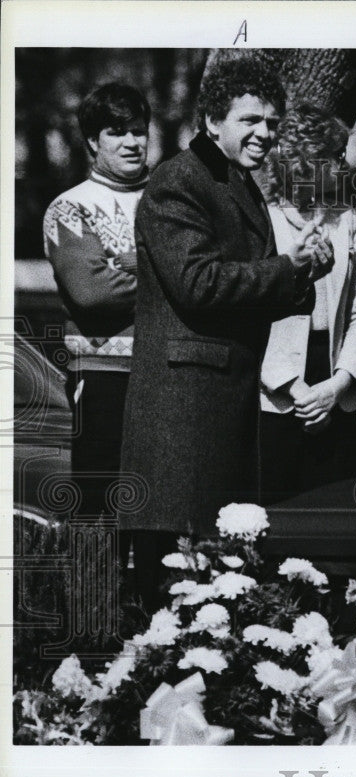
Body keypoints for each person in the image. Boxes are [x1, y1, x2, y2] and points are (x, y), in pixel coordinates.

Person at [120, 57, 333, 609]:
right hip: (183, 424)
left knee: (214, 595)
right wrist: (288, 268)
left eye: (272, 123)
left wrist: (305, 269)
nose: (264, 133)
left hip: (219, 413)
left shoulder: (235, 182)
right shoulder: (179, 180)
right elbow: (198, 284)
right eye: (250, 120)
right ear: (213, 120)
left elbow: (247, 282)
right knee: (175, 600)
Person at [42, 82, 150, 563]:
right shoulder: (69, 206)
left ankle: (158, 630)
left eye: (140, 131)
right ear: (93, 140)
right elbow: (92, 293)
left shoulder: (170, 201)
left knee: (157, 517)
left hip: (169, 377)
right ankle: (93, 633)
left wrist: (123, 261)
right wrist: (169, 275)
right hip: (102, 379)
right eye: (117, 132)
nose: (132, 142)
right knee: (96, 516)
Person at [258, 104, 356, 502]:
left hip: (332, 382)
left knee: (336, 514)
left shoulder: (345, 219)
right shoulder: (261, 220)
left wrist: (338, 385)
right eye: (335, 157)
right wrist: (297, 390)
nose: (344, 166)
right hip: (276, 392)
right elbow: (247, 314)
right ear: (307, 161)